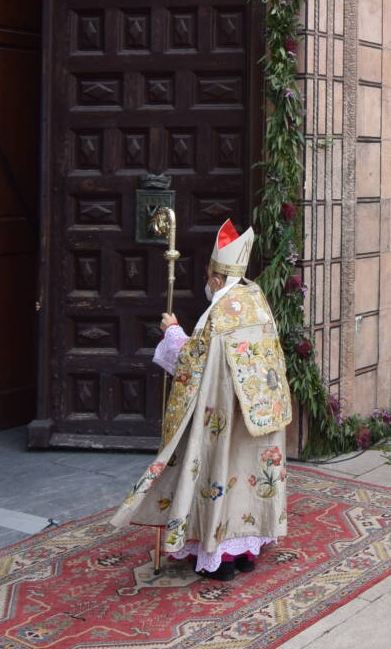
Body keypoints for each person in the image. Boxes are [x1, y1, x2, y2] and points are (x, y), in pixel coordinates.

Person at [115, 220, 294, 578]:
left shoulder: (219, 312)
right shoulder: (256, 298)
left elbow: (193, 364)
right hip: (259, 413)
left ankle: (219, 559)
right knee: (246, 475)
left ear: (215, 278)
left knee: (218, 472)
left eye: (209, 277)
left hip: (224, 414)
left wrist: (172, 332)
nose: (207, 285)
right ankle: (245, 553)